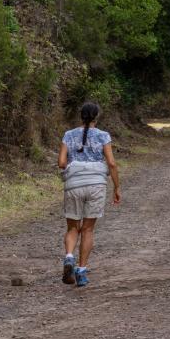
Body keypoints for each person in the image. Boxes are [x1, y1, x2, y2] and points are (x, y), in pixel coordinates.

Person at [57, 101, 120, 288]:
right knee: (88, 229)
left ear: (80, 116)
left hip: (74, 184)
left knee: (72, 228)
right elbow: (112, 163)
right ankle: (82, 271)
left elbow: (61, 163)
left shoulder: (68, 135)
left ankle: (69, 257)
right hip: (96, 185)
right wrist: (117, 187)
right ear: (96, 117)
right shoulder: (103, 136)